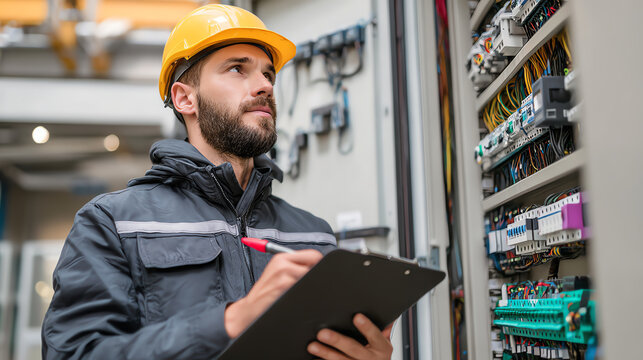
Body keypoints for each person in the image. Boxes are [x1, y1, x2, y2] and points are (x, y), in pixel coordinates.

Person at [41, 4, 393, 360]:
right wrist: (228, 322)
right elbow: (74, 354)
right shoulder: (114, 223)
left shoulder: (313, 234)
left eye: (268, 74)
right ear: (185, 98)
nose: (264, 87)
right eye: (238, 69)